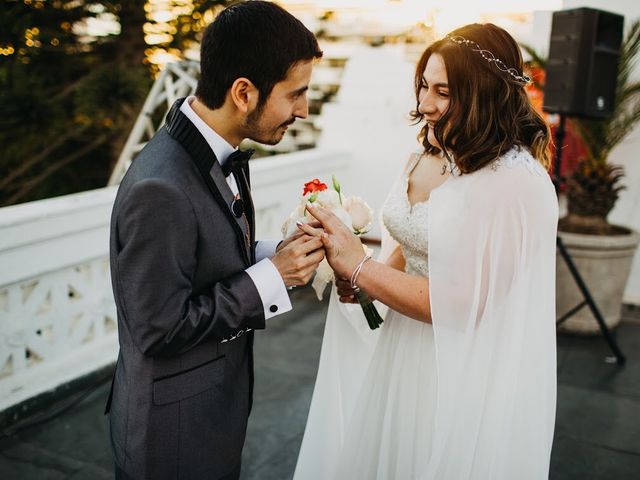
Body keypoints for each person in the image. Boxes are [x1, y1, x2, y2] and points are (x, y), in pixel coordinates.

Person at [295, 23, 558, 479]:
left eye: (444, 91)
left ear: (486, 93)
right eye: (423, 85)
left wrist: (359, 267)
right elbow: (414, 245)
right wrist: (369, 285)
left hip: (457, 365)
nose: (424, 104)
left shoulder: (513, 181)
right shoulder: (425, 153)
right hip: (401, 345)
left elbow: (460, 303)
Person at [105, 2, 324, 479]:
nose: (304, 110)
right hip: (173, 438)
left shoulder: (209, 150)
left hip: (208, 419)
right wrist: (273, 276)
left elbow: (204, 256)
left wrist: (277, 253)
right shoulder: (159, 188)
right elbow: (159, 328)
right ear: (244, 92)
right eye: (296, 94)